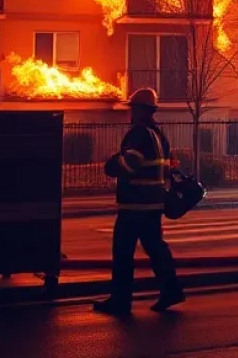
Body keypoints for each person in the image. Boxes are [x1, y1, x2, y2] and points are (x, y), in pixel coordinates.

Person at [93, 87, 185, 316]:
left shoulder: (139, 134)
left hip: (134, 204)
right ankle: (171, 290)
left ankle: (120, 302)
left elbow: (130, 164)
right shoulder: (159, 135)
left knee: (123, 252)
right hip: (153, 203)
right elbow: (168, 164)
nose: (130, 113)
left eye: (133, 109)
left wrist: (112, 164)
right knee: (155, 249)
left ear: (142, 110)